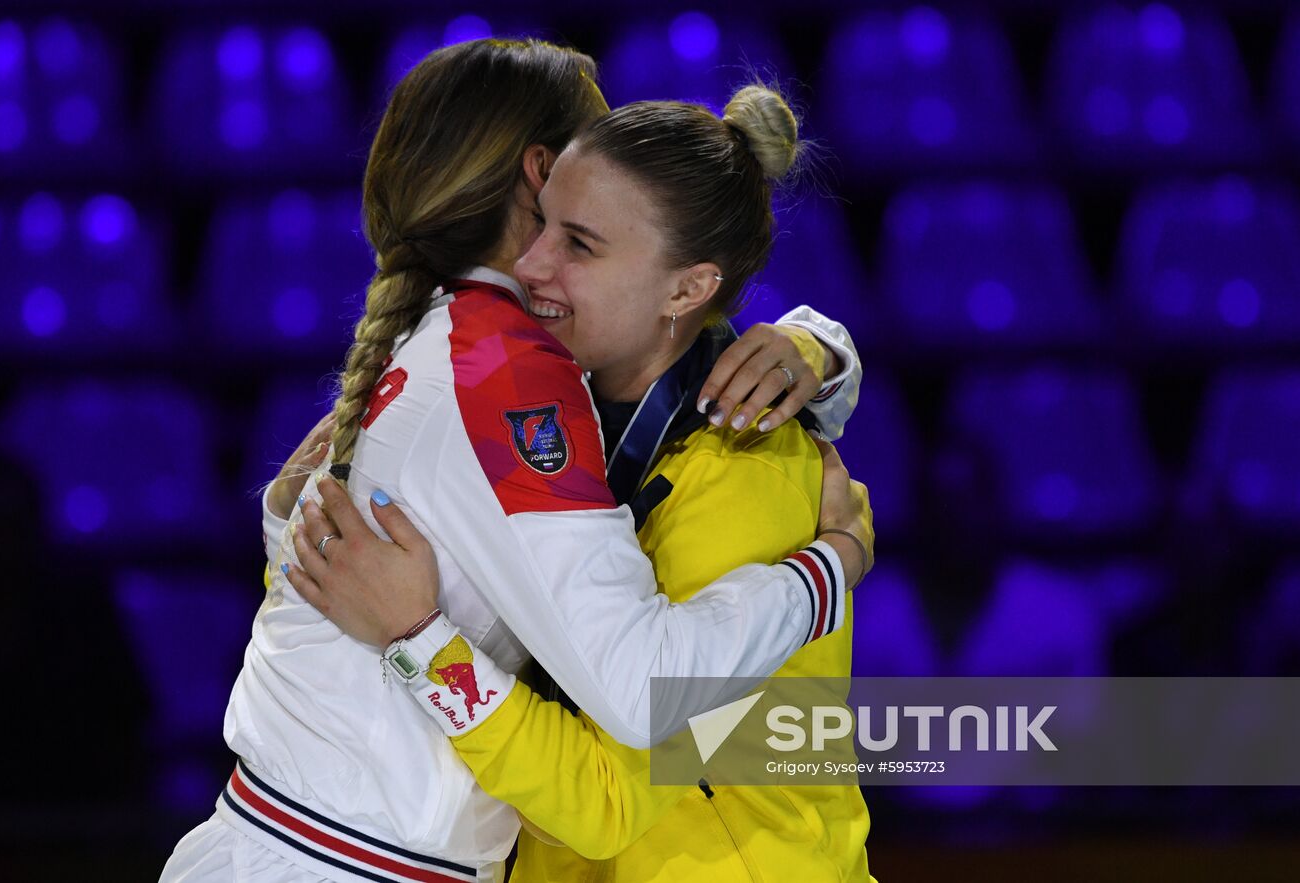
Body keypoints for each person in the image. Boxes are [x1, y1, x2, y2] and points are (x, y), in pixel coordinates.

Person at [162, 38, 871, 882]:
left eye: (582, 240)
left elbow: (623, 780)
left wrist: (822, 353)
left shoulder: (716, 451)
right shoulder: (504, 369)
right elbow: (628, 726)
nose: (538, 265)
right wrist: (836, 563)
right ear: (538, 174)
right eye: (554, 219)